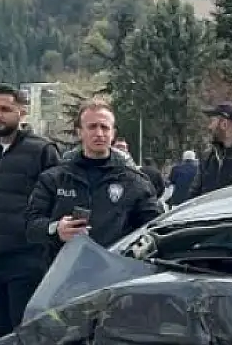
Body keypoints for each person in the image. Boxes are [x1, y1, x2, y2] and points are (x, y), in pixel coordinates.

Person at [0, 84, 60, 340]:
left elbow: (56, 205)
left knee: (25, 337)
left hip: (26, 261)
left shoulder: (42, 151)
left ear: (22, 112)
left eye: (5, 109)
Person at [27, 101, 165, 260]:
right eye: (92, 127)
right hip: (63, 275)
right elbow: (31, 225)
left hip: (114, 275)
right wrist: (56, 229)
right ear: (79, 132)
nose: (99, 133)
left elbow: (154, 227)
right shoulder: (54, 178)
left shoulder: (134, 182)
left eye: (104, 127)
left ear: (113, 133)